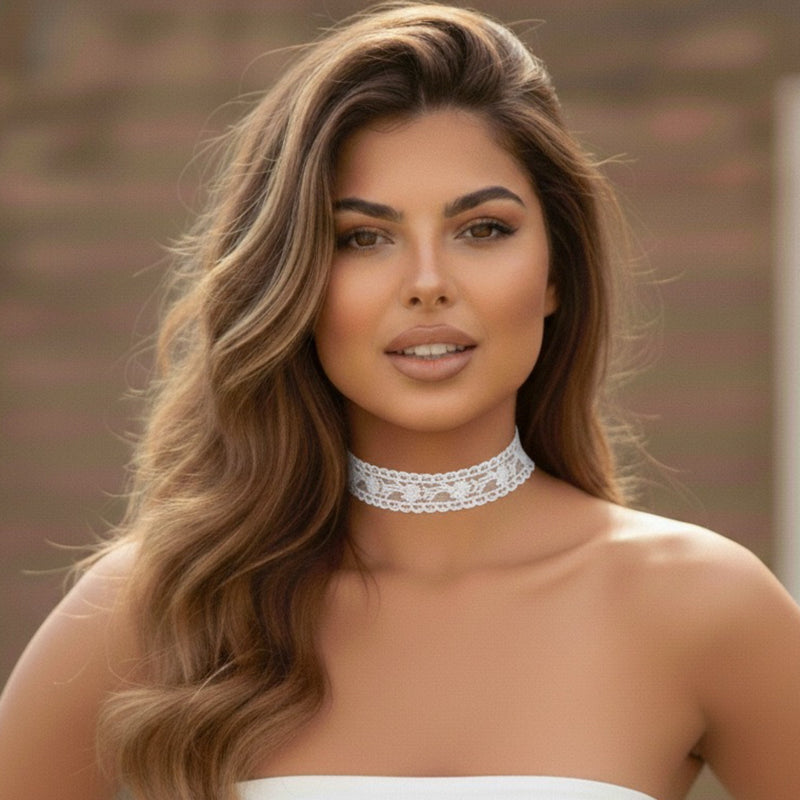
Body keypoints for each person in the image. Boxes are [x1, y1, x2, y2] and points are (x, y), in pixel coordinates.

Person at [1, 3, 799, 799]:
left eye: (482, 230)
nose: (427, 284)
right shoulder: (162, 604)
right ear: (296, 282)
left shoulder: (704, 606)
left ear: (556, 272)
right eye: (362, 237)